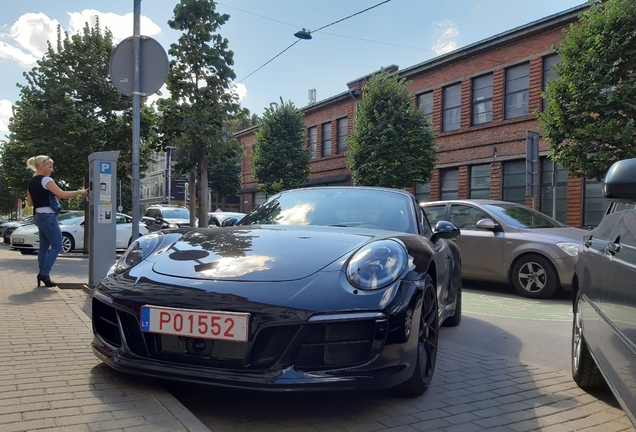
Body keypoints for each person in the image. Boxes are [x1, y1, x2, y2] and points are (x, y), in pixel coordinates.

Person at [26, 155, 88, 287]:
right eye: (50, 166)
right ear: (42, 167)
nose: (52, 169)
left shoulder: (31, 183)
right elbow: (63, 194)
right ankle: (44, 274)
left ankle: (42, 274)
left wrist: (50, 199)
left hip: (38, 216)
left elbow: (30, 203)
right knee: (57, 246)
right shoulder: (46, 180)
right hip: (49, 217)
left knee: (43, 247)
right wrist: (80, 192)